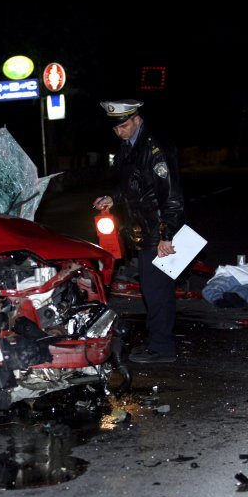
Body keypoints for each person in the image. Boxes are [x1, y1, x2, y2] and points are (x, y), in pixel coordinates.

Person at [93, 99, 186, 363]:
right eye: (115, 128)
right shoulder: (130, 145)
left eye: (123, 126)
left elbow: (172, 195)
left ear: (136, 119)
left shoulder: (155, 147)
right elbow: (135, 184)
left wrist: (167, 235)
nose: (118, 132)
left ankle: (162, 348)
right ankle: (157, 341)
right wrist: (113, 198)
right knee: (151, 288)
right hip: (143, 230)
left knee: (157, 291)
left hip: (158, 230)